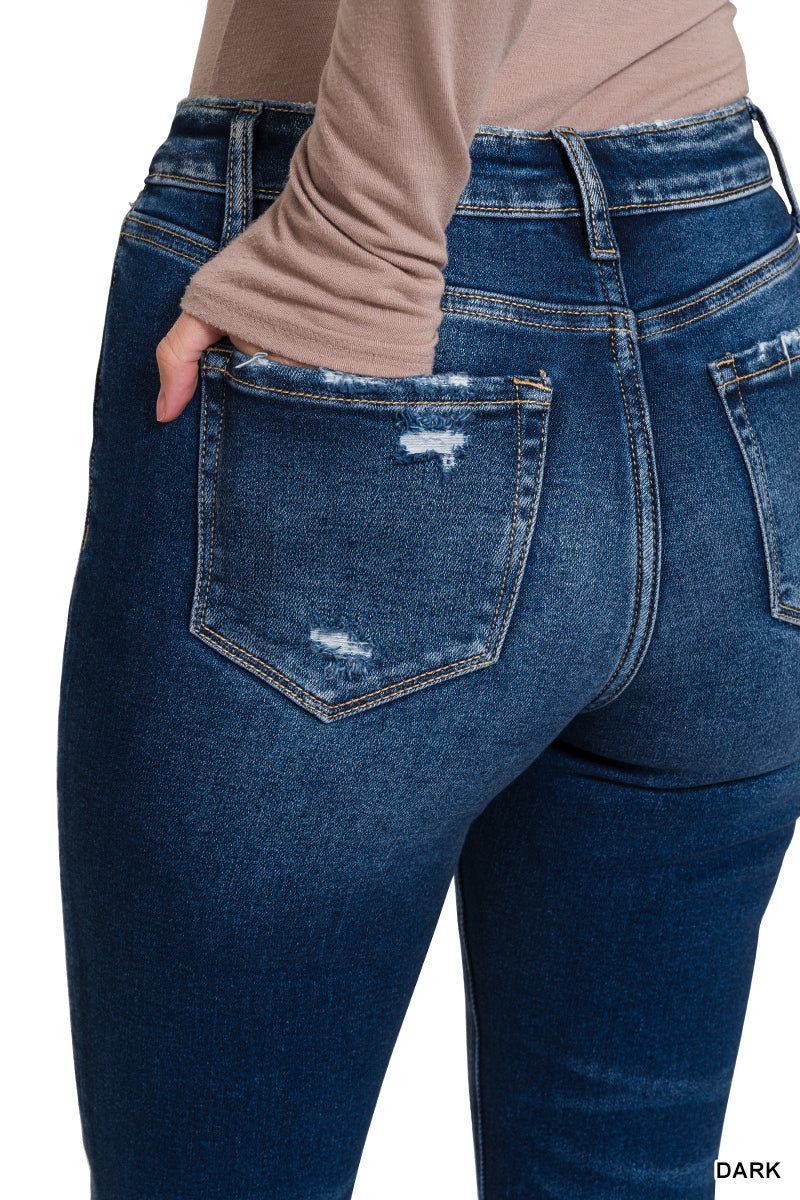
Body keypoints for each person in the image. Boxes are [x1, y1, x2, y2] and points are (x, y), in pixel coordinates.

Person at [57, 1, 800, 1197]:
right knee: (624, 1164)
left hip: (387, 283)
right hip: (728, 286)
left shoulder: (360, 236)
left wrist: (353, 233)